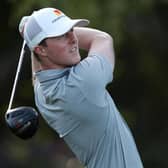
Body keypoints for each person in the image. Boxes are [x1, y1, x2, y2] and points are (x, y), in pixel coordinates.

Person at [19, 7, 143, 168]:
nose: (74, 38)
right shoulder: (83, 83)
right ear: (41, 49)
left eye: (71, 30)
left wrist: (33, 36)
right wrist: (30, 33)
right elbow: (102, 38)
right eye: (62, 35)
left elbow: (38, 72)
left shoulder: (42, 93)